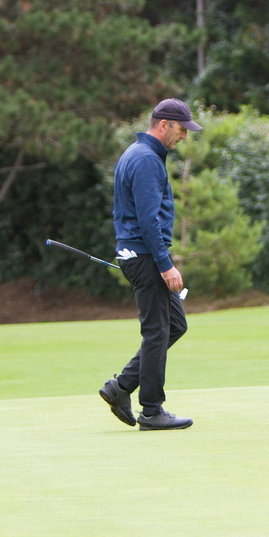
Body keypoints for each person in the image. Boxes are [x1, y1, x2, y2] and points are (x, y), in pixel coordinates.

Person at [98, 99, 202, 431]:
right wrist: (165, 264)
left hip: (138, 254)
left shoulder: (139, 154)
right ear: (164, 124)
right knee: (157, 331)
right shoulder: (145, 160)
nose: (184, 136)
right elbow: (147, 220)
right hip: (144, 255)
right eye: (181, 129)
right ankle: (152, 410)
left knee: (174, 325)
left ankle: (121, 386)